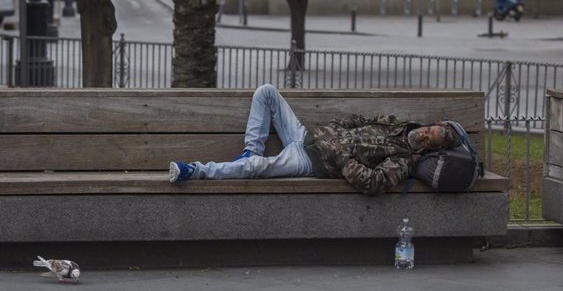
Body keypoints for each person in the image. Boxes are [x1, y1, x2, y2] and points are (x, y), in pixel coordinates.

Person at [169, 84, 466, 195]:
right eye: (429, 128)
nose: (424, 133)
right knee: (266, 92)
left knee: (256, 169)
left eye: (430, 138)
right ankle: (250, 150)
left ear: (432, 148)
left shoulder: (404, 161)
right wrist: (338, 126)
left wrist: (342, 158)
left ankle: (195, 170)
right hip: (309, 137)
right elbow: (360, 120)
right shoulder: (399, 126)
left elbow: (373, 183)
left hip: (313, 161)